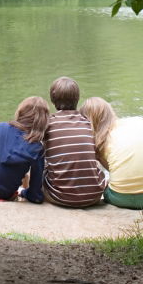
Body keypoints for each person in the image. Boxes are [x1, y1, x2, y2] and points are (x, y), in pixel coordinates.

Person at [81, 96, 143, 209]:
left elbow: (112, 168)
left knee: (107, 184)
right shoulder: (139, 121)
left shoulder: (100, 142)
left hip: (120, 199)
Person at [42, 76, 106, 207]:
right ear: (77, 99)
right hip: (93, 196)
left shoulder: (48, 123)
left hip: (60, 197)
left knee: (40, 166)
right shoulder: (88, 122)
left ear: (53, 100)